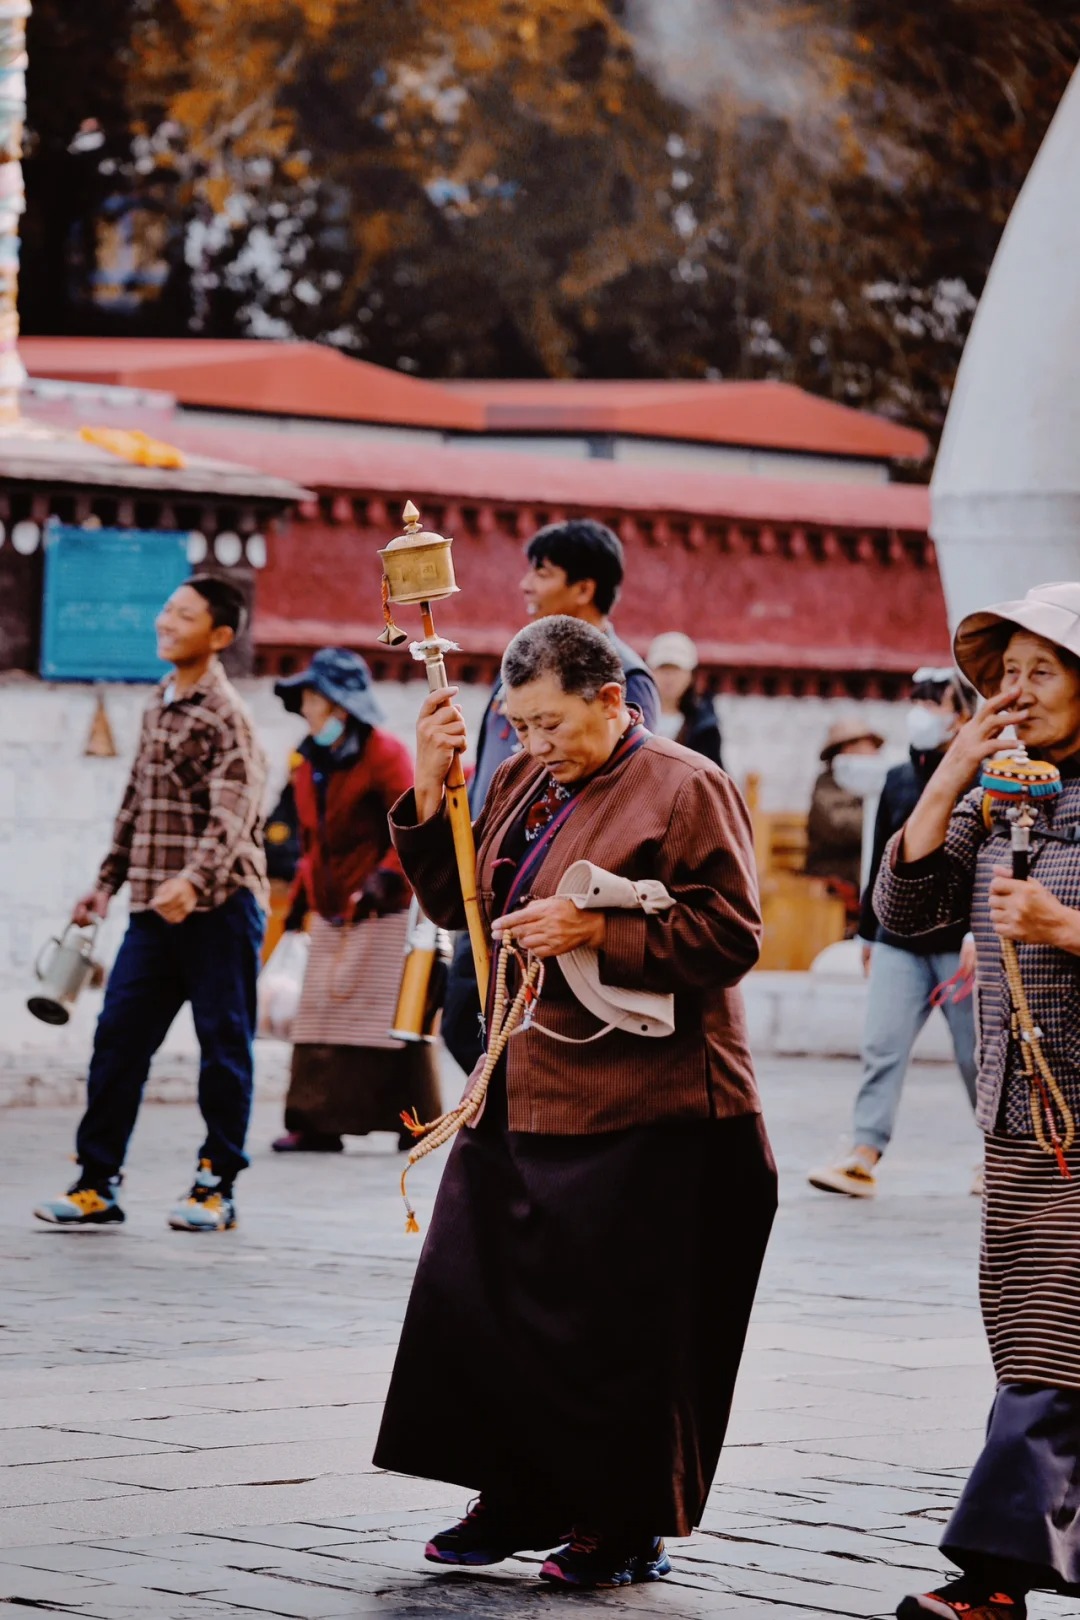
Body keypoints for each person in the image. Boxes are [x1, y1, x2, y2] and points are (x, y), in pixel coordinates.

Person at [373, 615, 776, 1592]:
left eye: (553, 724)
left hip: (654, 1100)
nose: (536, 744)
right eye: (520, 725)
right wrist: (433, 789)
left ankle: (625, 1524)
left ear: (610, 699)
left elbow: (732, 934)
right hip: (522, 1074)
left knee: (620, 1328)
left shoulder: (685, 783)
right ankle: (513, 1491)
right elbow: (459, 903)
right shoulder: (514, 778)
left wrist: (591, 926)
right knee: (475, 1300)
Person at [873, 583, 1080, 1620]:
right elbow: (904, 909)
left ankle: (991, 1585)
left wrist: (1065, 927)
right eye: (1005, 673)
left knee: (1053, 1355)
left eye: (1044, 670)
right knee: (1037, 1345)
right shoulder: (1000, 797)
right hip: (1017, 1122)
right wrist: (949, 774)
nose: (1017, 690)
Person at [34, 576, 268, 1232]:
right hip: (149, 909)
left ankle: (215, 1186)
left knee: (224, 1048)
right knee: (116, 1041)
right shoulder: (155, 703)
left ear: (219, 636)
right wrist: (106, 882)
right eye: (167, 609)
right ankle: (95, 1182)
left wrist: (194, 880)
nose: (166, 621)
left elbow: (234, 812)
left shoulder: (227, 714)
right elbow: (136, 802)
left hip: (219, 907)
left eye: (183, 615)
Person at [441, 517, 659, 1074]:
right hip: (500, 869)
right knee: (468, 1020)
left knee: (529, 1041)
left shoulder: (625, 675)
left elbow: (628, 786)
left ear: (585, 588)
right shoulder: (523, 666)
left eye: (542, 572)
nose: (525, 585)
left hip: (554, 882)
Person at [809, 668, 980, 1199]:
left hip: (961, 944)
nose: (923, 714)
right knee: (881, 1046)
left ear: (962, 717)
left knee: (979, 1055)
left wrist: (983, 933)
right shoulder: (898, 779)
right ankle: (863, 1150)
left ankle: (999, 1154)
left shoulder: (984, 777)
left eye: (936, 704)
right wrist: (868, 932)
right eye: (918, 703)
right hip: (899, 942)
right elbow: (882, 860)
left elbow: (991, 861)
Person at [269, 648, 441, 1154]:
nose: (304, 707)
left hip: (381, 906)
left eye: (312, 698)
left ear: (337, 706)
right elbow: (310, 842)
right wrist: (301, 901)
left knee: (389, 1019)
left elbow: (410, 823)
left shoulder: (384, 753)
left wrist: (383, 880)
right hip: (329, 908)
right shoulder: (308, 762)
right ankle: (316, 1122)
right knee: (319, 1013)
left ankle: (415, 1121)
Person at [804, 717, 885, 913]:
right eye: (867, 745)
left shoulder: (875, 784)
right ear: (847, 748)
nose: (874, 752)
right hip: (836, 876)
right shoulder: (826, 786)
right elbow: (840, 825)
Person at [646, 631, 723, 765]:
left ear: (691, 675)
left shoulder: (704, 726)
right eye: (663, 669)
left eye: (676, 670)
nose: (669, 678)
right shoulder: (633, 718)